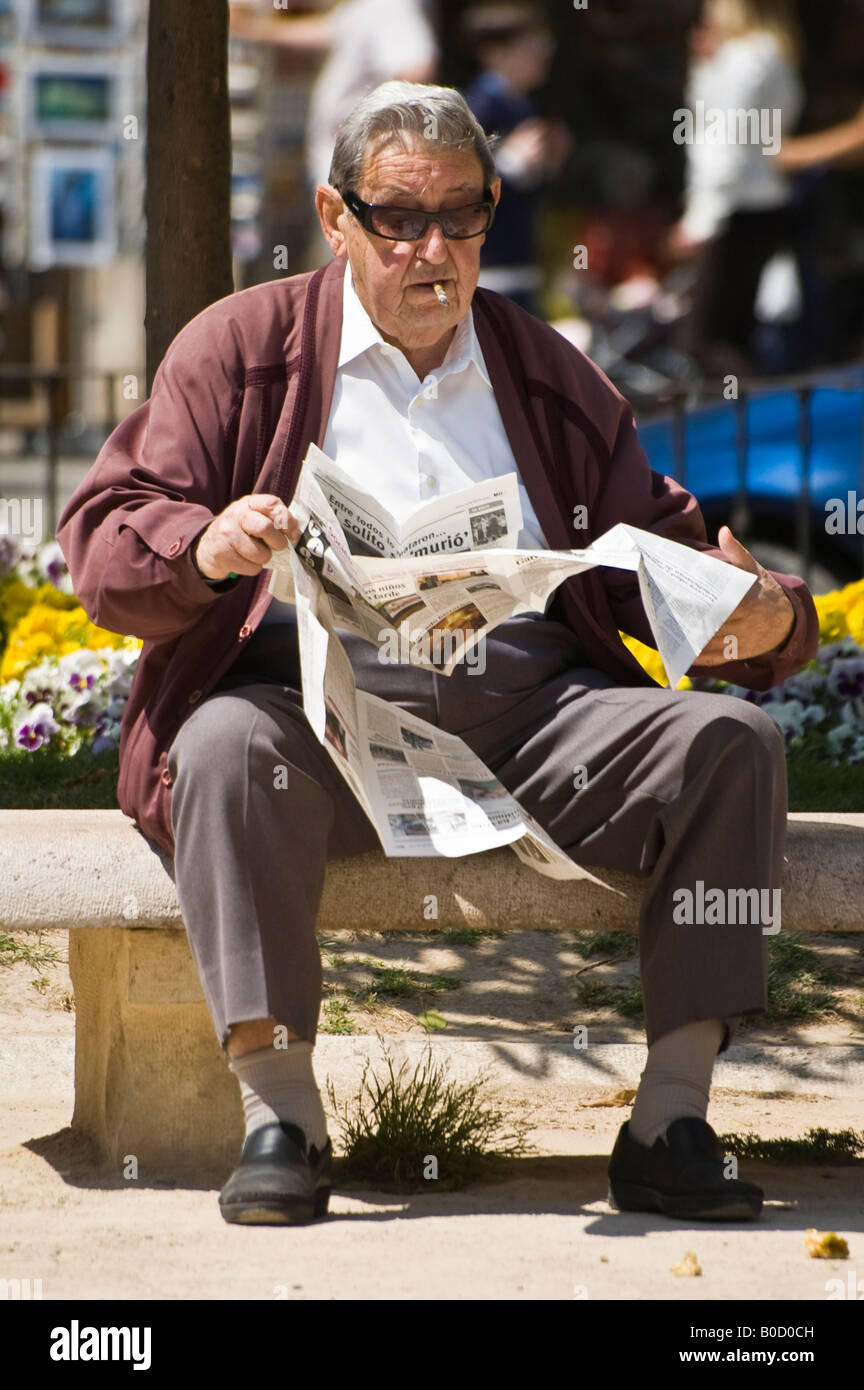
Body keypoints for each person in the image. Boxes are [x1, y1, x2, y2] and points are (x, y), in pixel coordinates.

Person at [57, 82, 818, 1228]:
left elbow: (664, 547)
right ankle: (282, 1117)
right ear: (334, 215)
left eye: (462, 219)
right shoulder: (240, 348)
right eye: (400, 219)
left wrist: (766, 620)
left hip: (526, 717)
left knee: (728, 743)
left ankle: (670, 1120)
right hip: (313, 724)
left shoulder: (545, 368)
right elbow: (105, 538)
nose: (434, 250)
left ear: (493, 213)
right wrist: (203, 546)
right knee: (221, 745)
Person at [668, 0, 805, 374]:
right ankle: (747, 419)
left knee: (703, 339)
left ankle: (740, 420)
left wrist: (699, 220)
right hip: (762, 204)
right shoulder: (772, 52)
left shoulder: (745, 57)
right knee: (734, 333)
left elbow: (725, 142)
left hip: (732, 209)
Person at [461, 4, 570, 315]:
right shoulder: (476, 110)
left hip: (519, 262)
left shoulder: (522, 106)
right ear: (493, 53)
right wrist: (511, 164)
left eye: (546, 45)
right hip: (490, 268)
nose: (543, 55)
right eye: (533, 46)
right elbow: (462, 187)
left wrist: (549, 161)